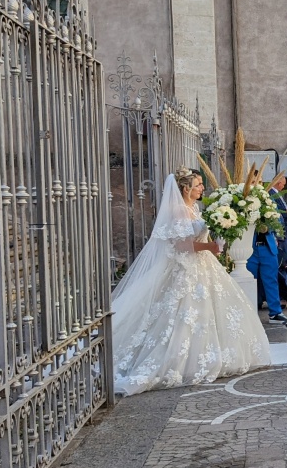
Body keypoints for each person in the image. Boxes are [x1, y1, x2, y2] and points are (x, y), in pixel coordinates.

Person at [111, 169, 271, 396]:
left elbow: (197, 236)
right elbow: (180, 245)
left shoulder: (194, 209)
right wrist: (209, 247)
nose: (201, 189)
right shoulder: (178, 211)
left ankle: (205, 356)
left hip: (203, 266)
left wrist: (216, 239)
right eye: (198, 185)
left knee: (209, 313)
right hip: (186, 269)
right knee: (183, 315)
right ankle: (179, 361)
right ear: (186, 188)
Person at [248, 177, 287, 324]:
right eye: (253, 182)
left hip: (267, 245)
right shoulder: (241, 201)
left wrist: (269, 227)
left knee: (271, 280)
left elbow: (279, 220)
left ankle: (275, 312)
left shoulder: (268, 200)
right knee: (249, 280)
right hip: (249, 248)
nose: (256, 184)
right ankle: (248, 311)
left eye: (258, 182)